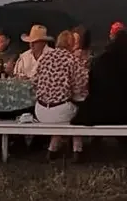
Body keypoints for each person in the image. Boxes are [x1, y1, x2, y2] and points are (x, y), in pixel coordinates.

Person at [73, 28, 127, 126]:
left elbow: (92, 86)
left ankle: (95, 141)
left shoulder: (100, 61)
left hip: (98, 112)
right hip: (125, 115)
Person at [35, 30, 89, 160]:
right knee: (79, 112)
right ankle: (77, 150)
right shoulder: (72, 60)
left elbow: (35, 81)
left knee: (62, 114)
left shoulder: (44, 58)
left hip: (40, 111)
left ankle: (52, 149)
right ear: (71, 44)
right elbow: (80, 86)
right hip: (60, 111)